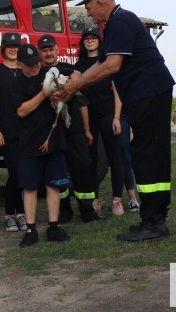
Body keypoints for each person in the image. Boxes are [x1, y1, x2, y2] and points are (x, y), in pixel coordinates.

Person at [60, 0, 175, 242]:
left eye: (89, 9)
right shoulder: (113, 25)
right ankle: (152, 218)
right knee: (144, 153)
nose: (89, 15)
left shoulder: (122, 20)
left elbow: (111, 66)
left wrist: (76, 84)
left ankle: (155, 221)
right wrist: (72, 84)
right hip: (143, 95)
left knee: (149, 154)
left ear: (102, 3)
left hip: (149, 93)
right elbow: (101, 62)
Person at [37, 35, 101, 224]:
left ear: (57, 50)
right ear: (40, 52)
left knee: (82, 167)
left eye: (51, 49)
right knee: (58, 170)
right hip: (53, 129)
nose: (48, 53)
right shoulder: (38, 73)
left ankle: (87, 209)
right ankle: (64, 209)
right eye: (44, 50)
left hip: (74, 128)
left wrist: (87, 130)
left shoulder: (67, 68)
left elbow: (79, 87)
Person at [12, 43, 70, 247]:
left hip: (53, 138)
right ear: (19, 65)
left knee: (53, 184)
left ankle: (53, 226)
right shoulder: (17, 83)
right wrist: (44, 94)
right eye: (29, 64)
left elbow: (71, 81)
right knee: (29, 187)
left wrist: (60, 94)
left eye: (36, 62)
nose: (35, 66)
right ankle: (30, 229)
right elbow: (21, 111)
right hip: (29, 142)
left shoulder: (48, 72)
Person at [73, 26, 134, 217]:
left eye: (93, 37)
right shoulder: (80, 65)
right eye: (86, 38)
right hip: (89, 116)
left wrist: (117, 117)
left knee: (115, 157)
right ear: (83, 42)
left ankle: (117, 200)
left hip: (108, 113)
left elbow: (118, 91)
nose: (90, 40)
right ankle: (95, 200)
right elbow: (75, 88)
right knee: (92, 160)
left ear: (99, 41)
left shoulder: (107, 63)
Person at [0, 32, 27, 232]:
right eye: (9, 46)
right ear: (3, 48)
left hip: (26, 130)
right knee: (14, 172)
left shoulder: (25, 70)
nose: (13, 49)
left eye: (16, 45)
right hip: (7, 130)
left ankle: (21, 214)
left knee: (24, 172)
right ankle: (9, 214)